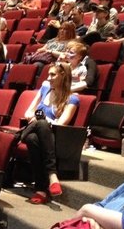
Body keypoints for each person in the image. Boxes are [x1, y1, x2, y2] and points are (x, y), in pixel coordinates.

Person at [20, 63, 79, 204]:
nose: (48, 78)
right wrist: (34, 117)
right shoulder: (45, 88)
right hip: (33, 127)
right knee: (38, 128)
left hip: (51, 136)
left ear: (63, 76)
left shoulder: (72, 99)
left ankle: (41, 189)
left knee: (33, 138)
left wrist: (44, 120)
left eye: (53, 75)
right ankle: (52, 174)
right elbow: (28, 112)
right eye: (48, 74)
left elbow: (61, 124)